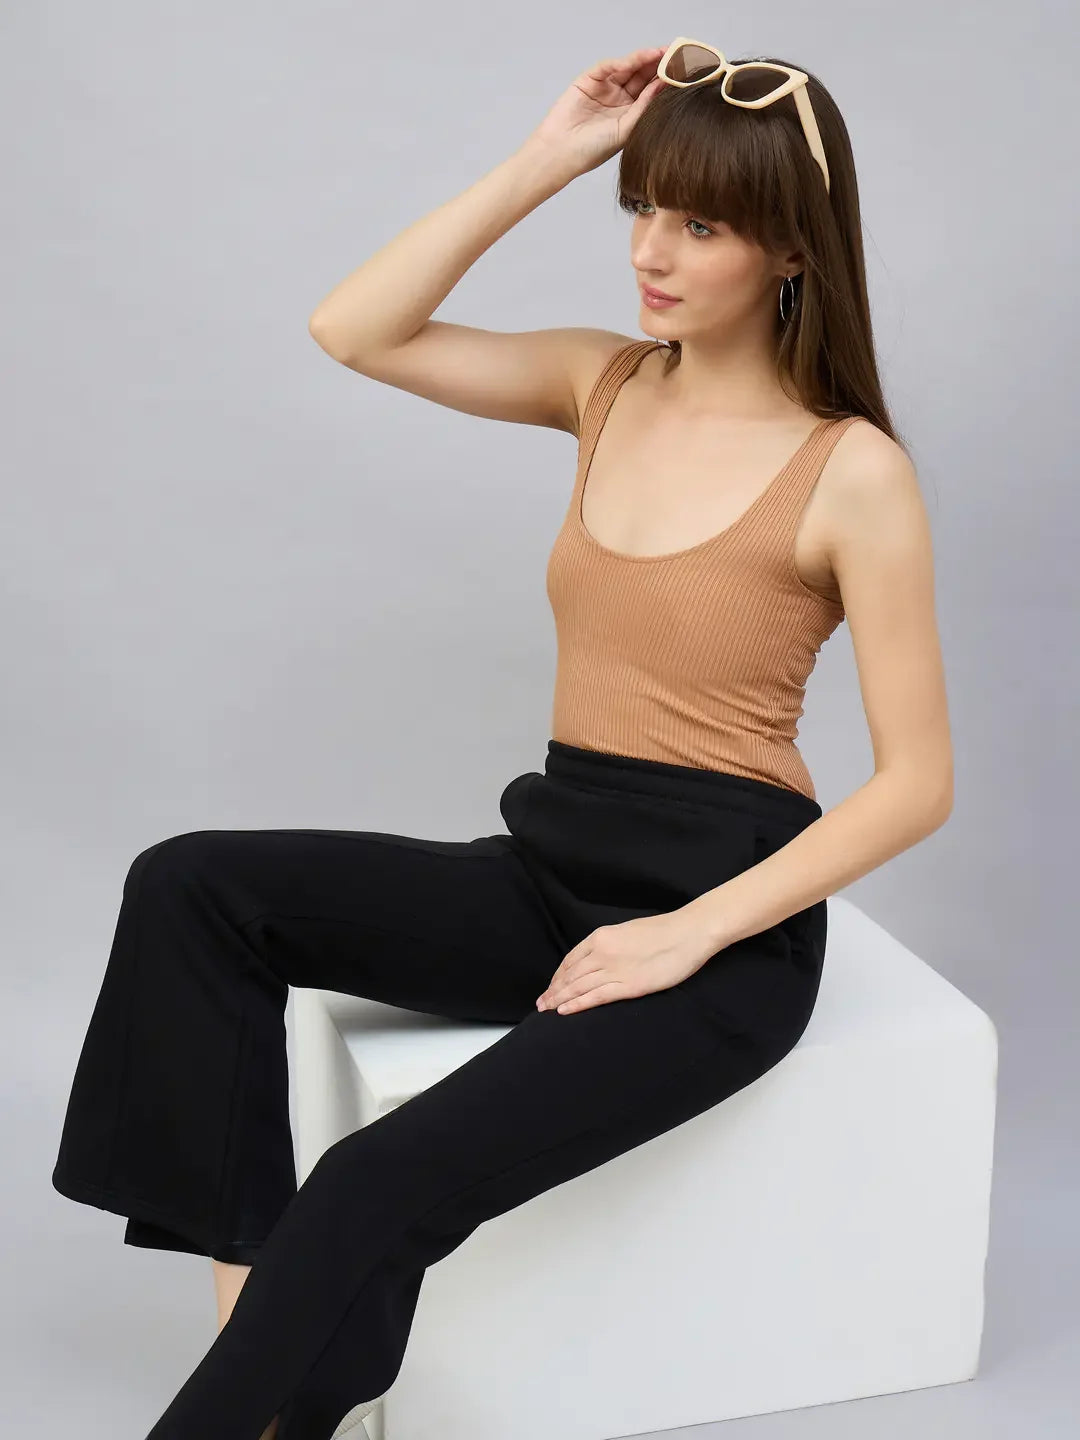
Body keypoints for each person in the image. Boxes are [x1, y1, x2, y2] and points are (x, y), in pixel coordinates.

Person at [50, 40, 953, 1440]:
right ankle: (254, 1291)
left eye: (698, 222)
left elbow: (919, 783)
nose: (649, 249)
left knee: (372, 1184)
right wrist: (556, 155)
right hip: (548, 869)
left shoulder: (853, 472)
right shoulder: (604, 387)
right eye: (640, 208)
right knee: (191, 885)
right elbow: (357, 328)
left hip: (718, 927)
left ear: (788, 248)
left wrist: (689, 934)